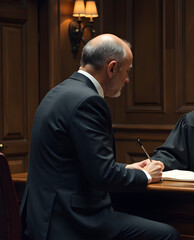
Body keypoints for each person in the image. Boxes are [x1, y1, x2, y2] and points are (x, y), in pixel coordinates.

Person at [20, 34, 179, 240]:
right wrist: (146, 175)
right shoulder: (89, 102)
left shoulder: (58, 92)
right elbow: (103, 176)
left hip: (42, 218)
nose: (128, 79)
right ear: (112, 68)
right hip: (72, 222)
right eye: (127, 71)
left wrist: (125, 168)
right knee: (167, 235)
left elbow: (79, 163)